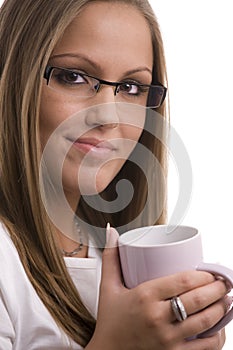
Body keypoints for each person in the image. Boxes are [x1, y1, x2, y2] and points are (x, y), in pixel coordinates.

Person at [0, 0, 229, 349]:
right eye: (73, 76)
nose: (110, 116)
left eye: (131, 88)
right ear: (14, 78)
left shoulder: (111, 253)